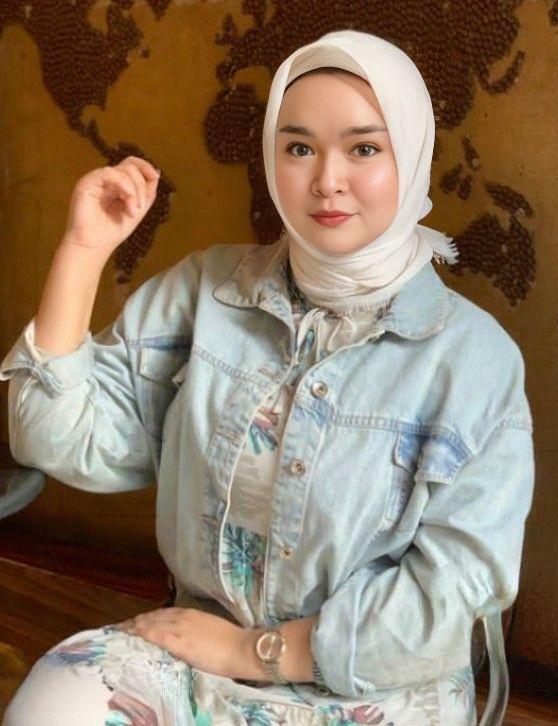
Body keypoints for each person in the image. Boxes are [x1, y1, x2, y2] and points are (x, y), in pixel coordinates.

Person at [0, 29, 534, 726]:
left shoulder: (475, 360)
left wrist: (253, 652)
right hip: (192, 657)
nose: (327, 180)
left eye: (364, 149)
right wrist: (82, 250)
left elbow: (452, 596)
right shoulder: (204, 292)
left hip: (375, 689)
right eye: (299, 147)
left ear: (412, 154)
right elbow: (52, 438)